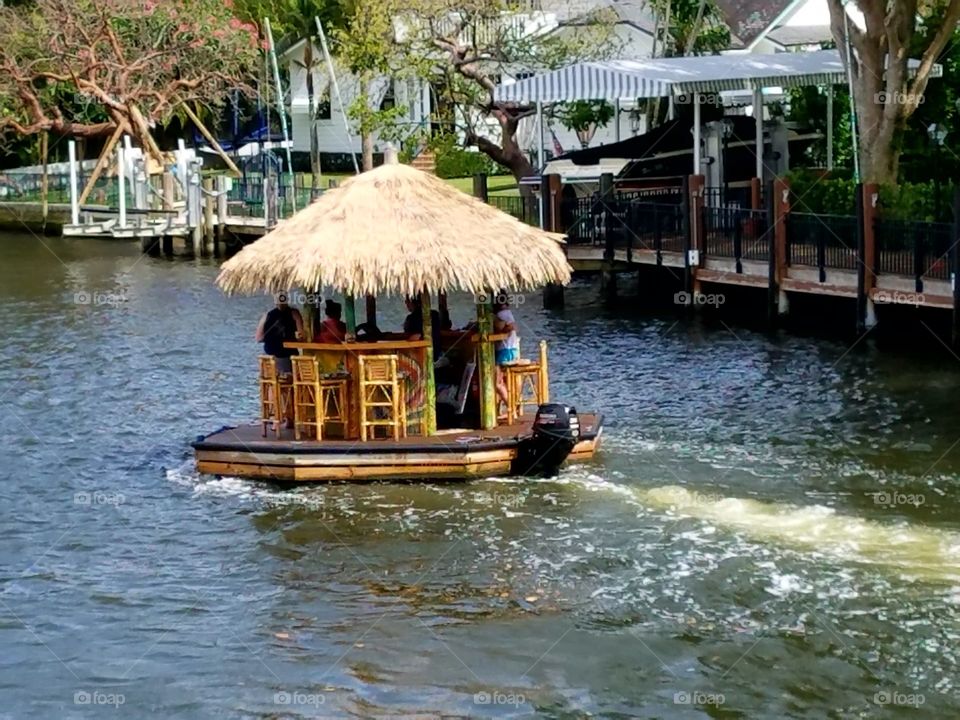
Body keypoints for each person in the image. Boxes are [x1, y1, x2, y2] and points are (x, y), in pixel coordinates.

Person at [255, 292, 304, 375]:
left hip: (268, 357)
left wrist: (271, 338)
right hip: (286, 356)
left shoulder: (267, 315)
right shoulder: (294, 314)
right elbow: (301, 335)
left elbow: (258, 338)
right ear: (287, 300)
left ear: (275, 301)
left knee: (274, 380)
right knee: (296, 374)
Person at [493, 292, 520, 414]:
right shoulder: (507, 313)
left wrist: (501, 330)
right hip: (512, 350)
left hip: (506, 351)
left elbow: (511, 327)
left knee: (496, 382)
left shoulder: (501, 314)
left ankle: (511, 405)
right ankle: (514, 403)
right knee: (504, 381)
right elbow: (513, 327)